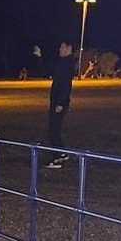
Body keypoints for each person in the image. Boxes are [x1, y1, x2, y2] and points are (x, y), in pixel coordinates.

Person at [46, 41, 75, 169]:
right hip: (57, 101)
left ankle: (58, 157)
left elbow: (66, 85)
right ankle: (61, 153)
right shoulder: (64, 63)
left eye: (62, 47)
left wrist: (60, 103)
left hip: (59, 102)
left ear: (69, 48)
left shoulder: (67, 64)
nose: (60, 49)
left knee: (54, 130)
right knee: (54, 129)